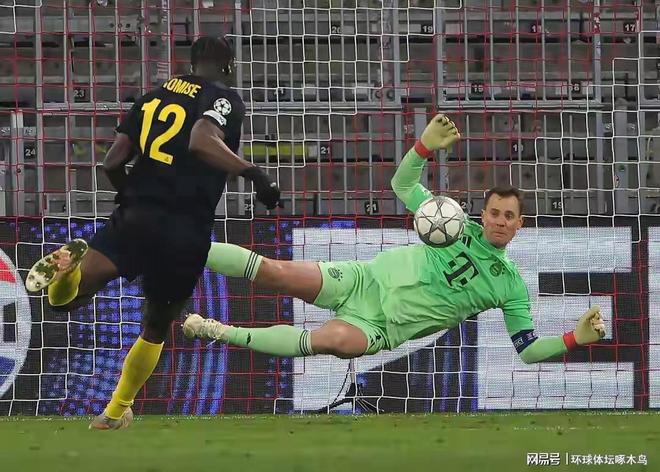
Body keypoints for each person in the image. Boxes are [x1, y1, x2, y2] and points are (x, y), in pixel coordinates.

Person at [183, 114, 606, 362]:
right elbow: (403, 185)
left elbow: (527, 350)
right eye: (494, 212)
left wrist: (574, 338)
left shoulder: (510, 285)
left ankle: (218, 331)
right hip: (363, 280)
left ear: (519, 225)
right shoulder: (451, 222)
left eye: (508, 216)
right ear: (484, 213)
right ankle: (180, 248)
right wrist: (423, 147)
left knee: (332, 341)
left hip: (379, 326)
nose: (499, 221)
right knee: (274, 272)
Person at [24, 36, 281, 429]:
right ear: (229, 66)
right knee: (157, 324)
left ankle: (67, 274)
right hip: (184, 228)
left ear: (191, 63)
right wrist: (253, 173)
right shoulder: (222, 97)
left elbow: (112, 162)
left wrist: (134, 198)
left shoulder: (151, 98)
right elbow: (201, 140)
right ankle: (114, 411)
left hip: (136, 215)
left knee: (66, 301)